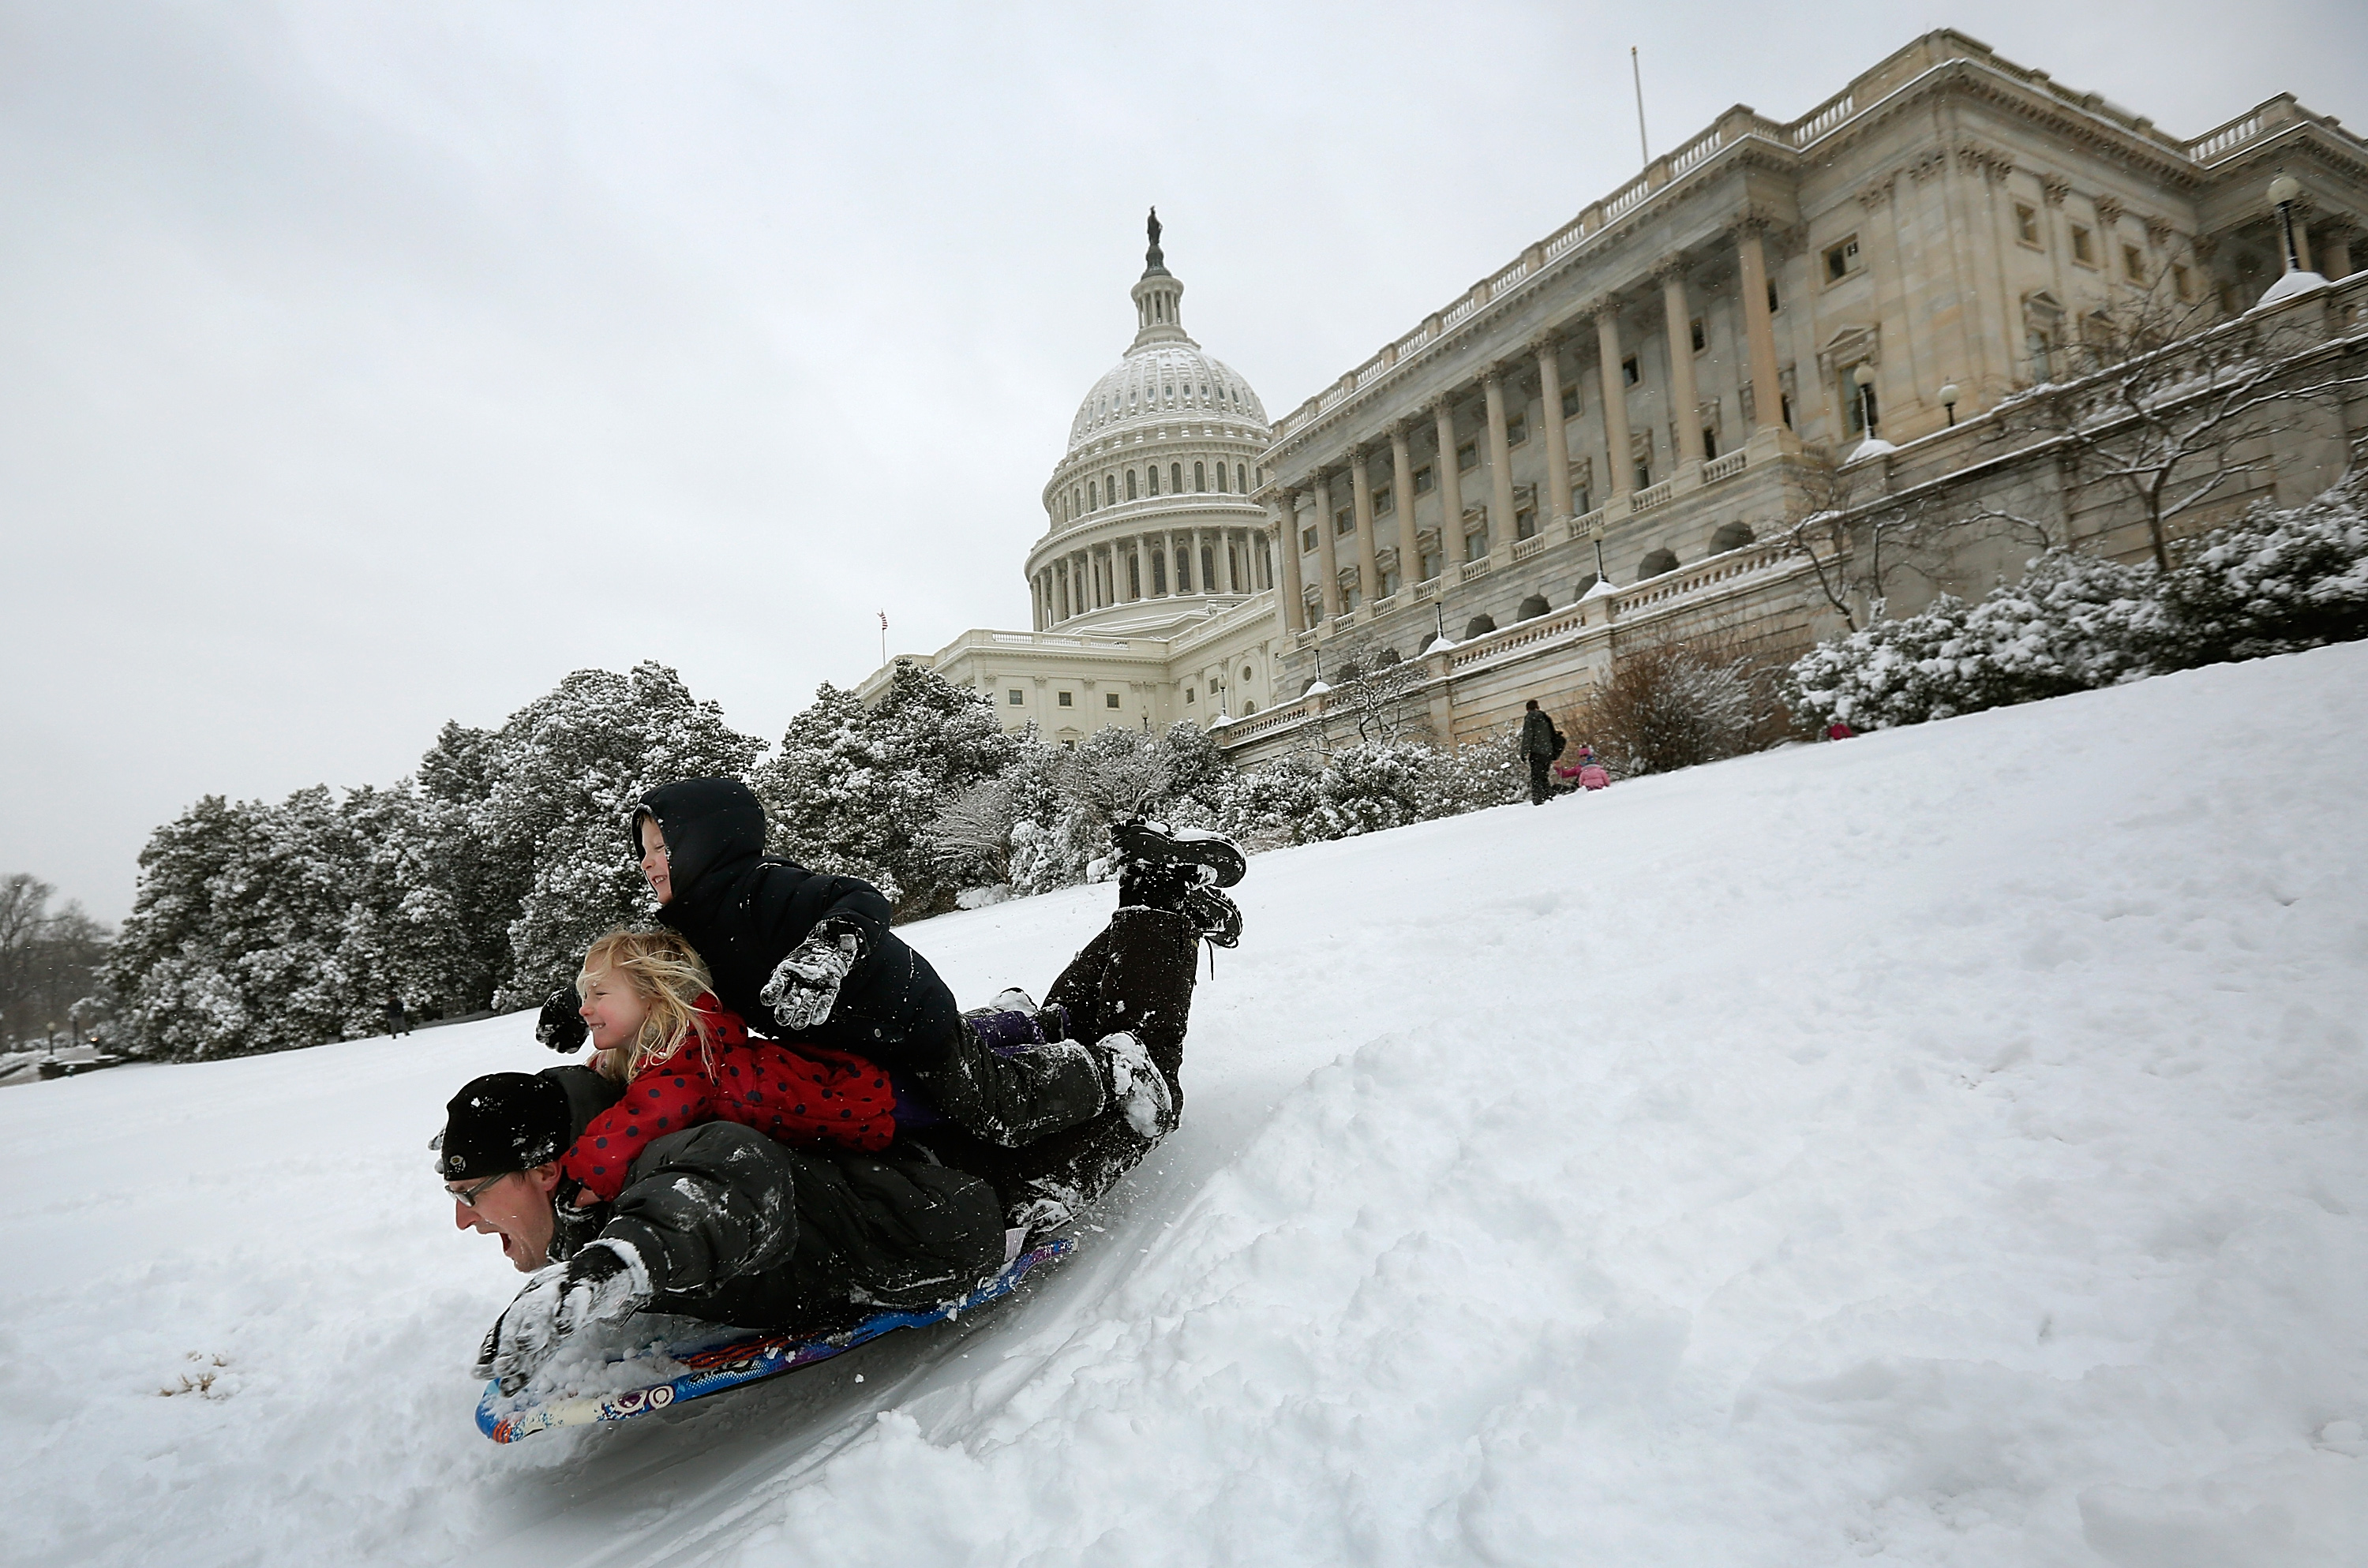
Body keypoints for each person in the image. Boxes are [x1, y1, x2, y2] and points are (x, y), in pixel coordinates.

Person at [1519, 699, 1562, 805]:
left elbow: (1528, 736)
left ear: (1527, 709)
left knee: (1536, 777)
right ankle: (1548, 796)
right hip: (1548, 752)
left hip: (1536, 753)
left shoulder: (1530, 718)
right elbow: (1552, 734)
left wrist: (1523, 753)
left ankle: (1539, 800)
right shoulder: (1545, 717)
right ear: (1538, 707)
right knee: (1544, 775)